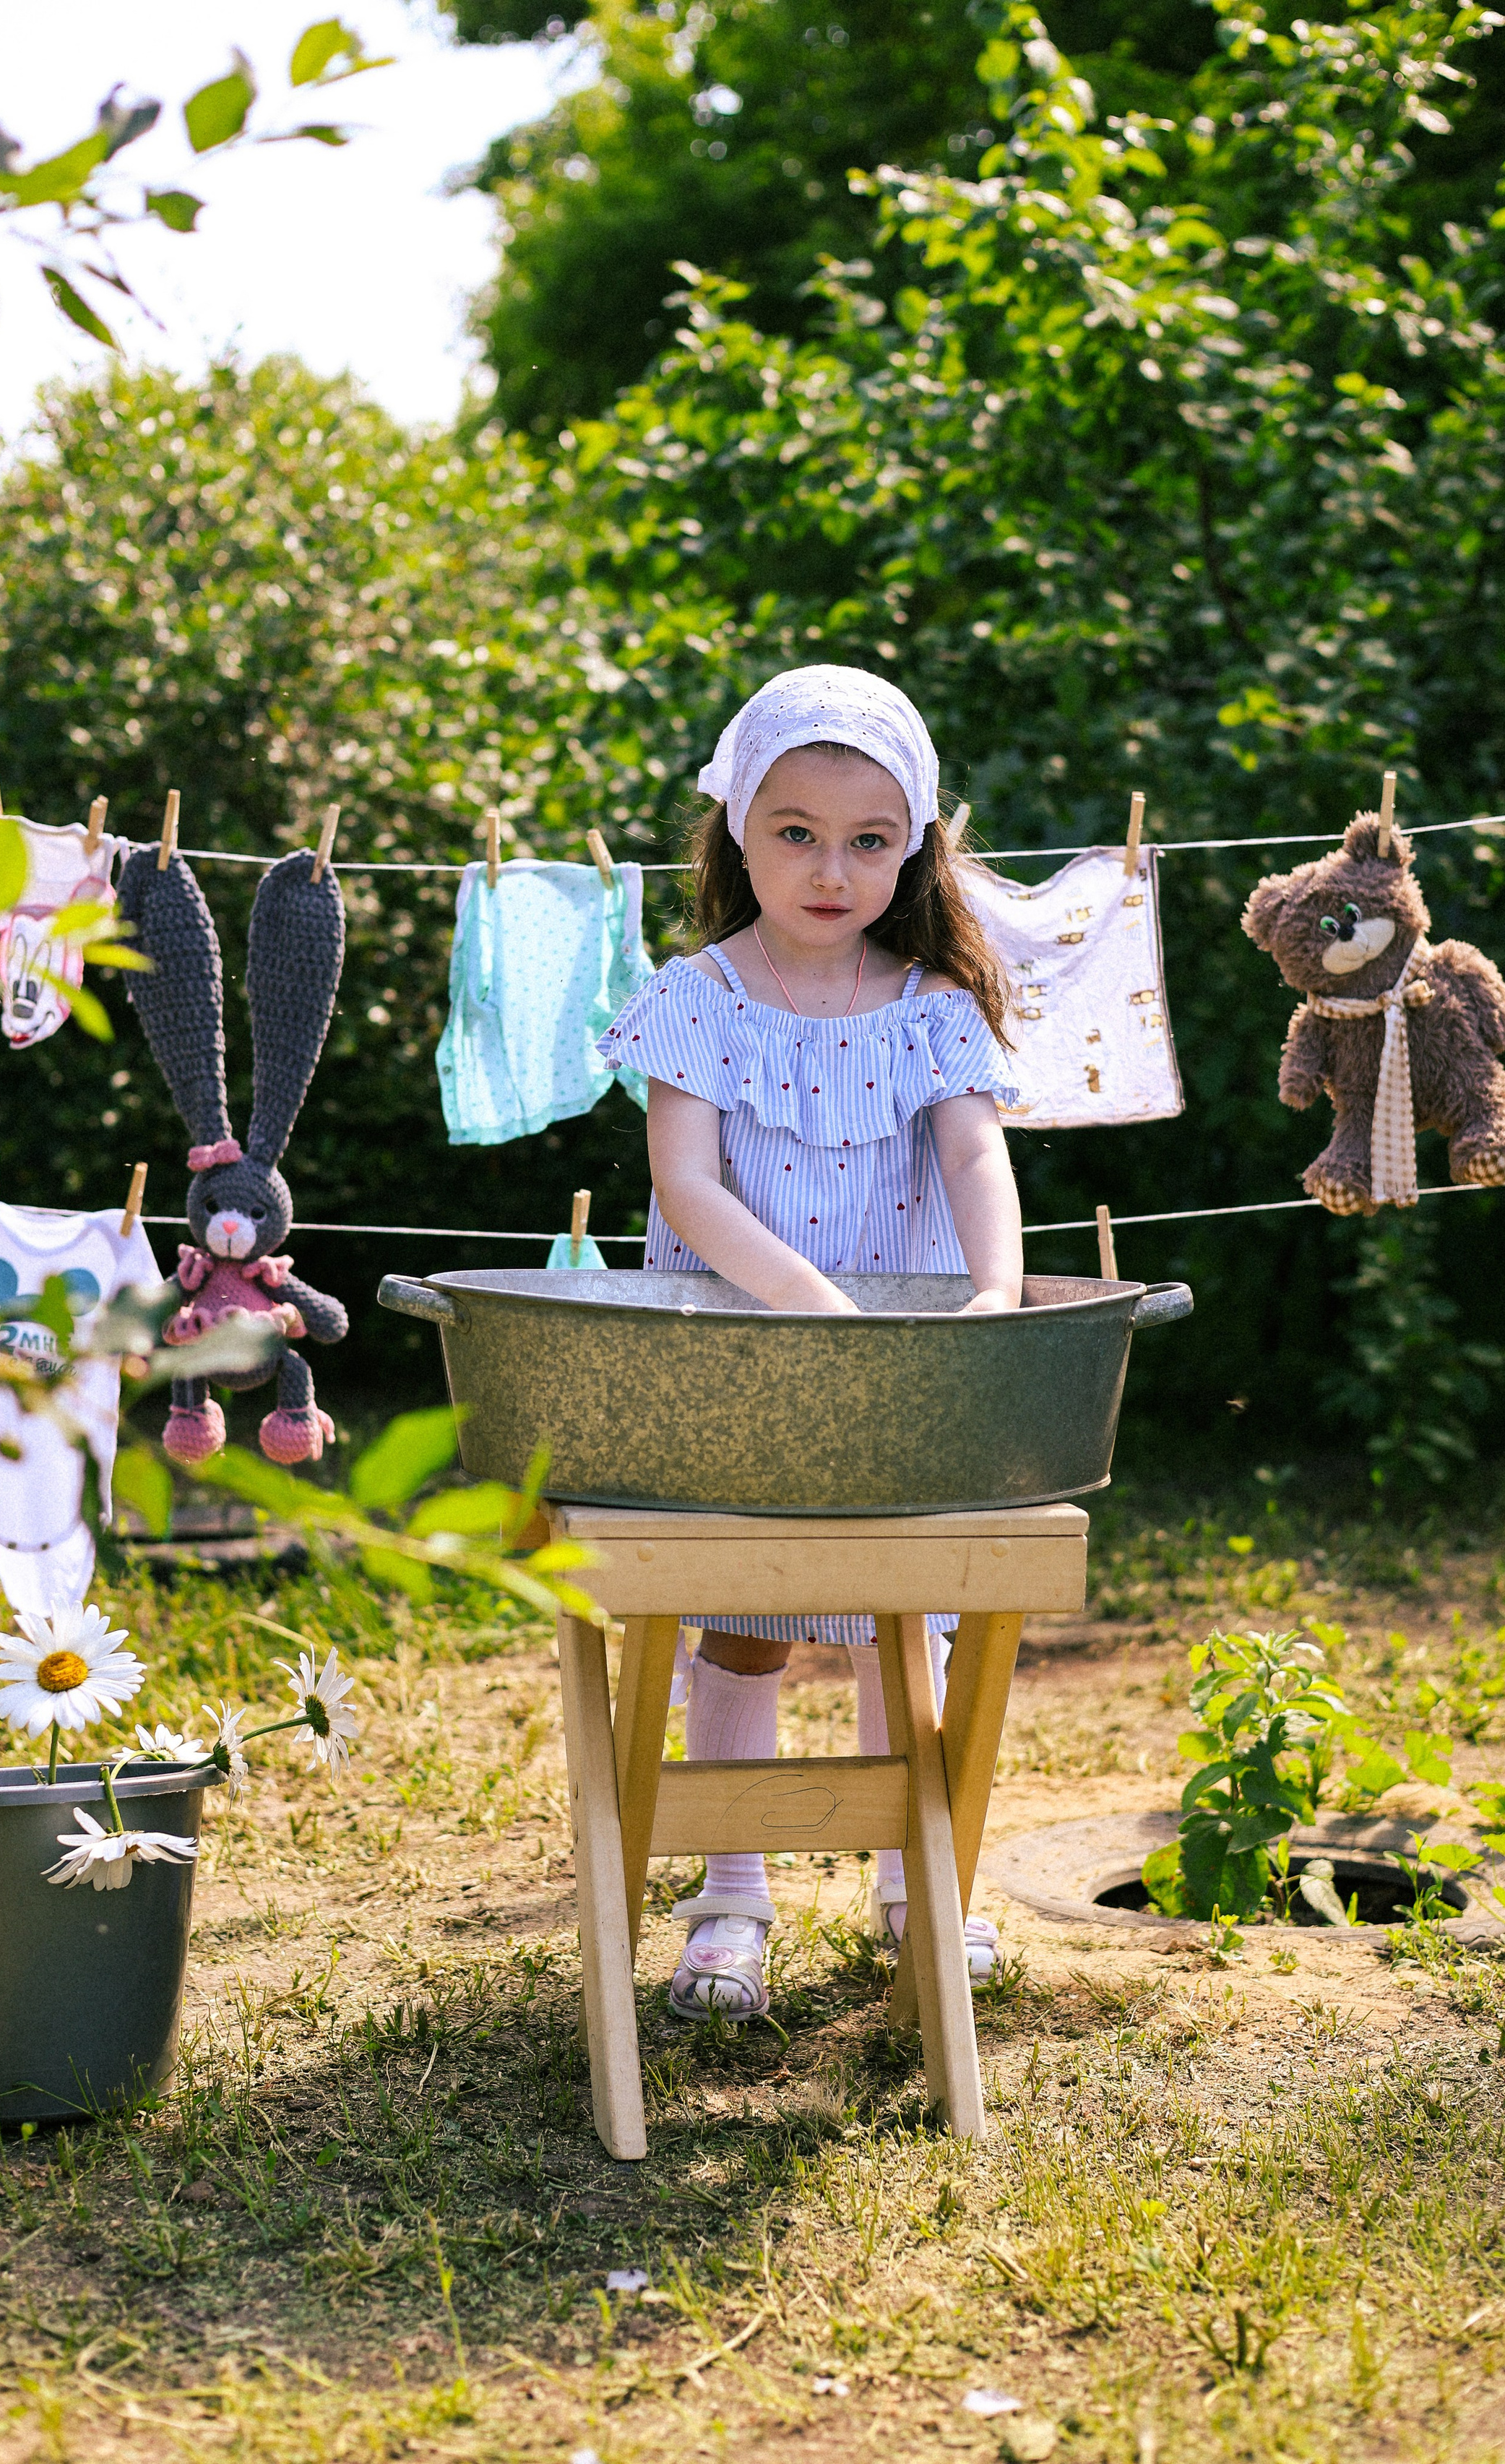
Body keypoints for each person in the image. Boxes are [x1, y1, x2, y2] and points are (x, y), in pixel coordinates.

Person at [596, 665, 1024, 2023]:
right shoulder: (700, 994)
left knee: (907, 1618)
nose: (832, 871)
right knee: (743, 1624)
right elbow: (686, 1186)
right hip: (741, 1364)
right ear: (740, 829)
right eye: (797, 833)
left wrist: (995, 1293)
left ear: (914, 848)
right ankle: (732, 1894)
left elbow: (976, 1155)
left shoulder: (932, 1005)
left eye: (868, 840)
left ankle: (915, 1882)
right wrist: (811, 1304)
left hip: (898, 1369)